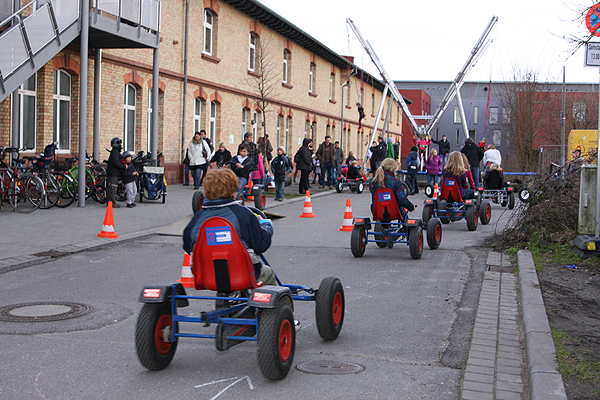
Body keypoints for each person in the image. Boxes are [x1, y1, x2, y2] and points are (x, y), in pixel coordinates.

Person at [182, 168, 277, 286]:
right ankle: (278, 303)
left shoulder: (198, 218)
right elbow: (261, 245)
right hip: (244, 272)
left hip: (205, 273)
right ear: (233, 192)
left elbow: (187, 245)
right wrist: (266, 225)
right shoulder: (244, 214)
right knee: (267, 272)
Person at [107, 137, 126, 208]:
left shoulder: (115, 152)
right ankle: (111, 203)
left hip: (114, 173)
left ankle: (111, 202)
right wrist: (123, 166)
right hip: (113, 173)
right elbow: (116, 163)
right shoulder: (115, 153)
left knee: (113, 187)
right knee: (112, 188)